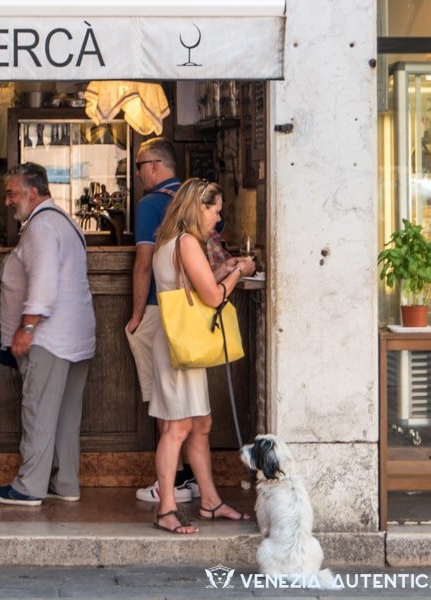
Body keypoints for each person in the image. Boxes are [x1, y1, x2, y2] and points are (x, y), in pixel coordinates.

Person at [0, 163, 95, 506]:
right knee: (64, 414)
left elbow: (44, 283)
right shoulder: (61, 221)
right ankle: (65, 483)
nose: (7, 201)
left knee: (38, 410)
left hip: (48, 337)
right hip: (74, 336)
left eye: (12, 193)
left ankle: (29, 486)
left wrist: (27, 326)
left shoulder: (42, 228)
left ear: (33, 193)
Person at [149, 178, 256, 534]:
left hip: (178, 341)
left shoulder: (169, 241)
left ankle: (209, 500)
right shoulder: (187, 242)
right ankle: (166, 508)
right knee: (177, 426)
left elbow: (190, 286)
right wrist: (239, 271)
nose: (218, 218)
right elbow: (211, 298)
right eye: (215, 210)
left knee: (199, 423)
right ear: (199, 207)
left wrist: (223, 270)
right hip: (181, 344)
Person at [124, 138, 199, 504]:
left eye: (139, 167)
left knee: (162, 397)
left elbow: (144, 263)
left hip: (160, 307)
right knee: (189, 396)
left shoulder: (151, 203)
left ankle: (172, 482)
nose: (138, 175)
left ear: (154, 165)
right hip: (194, 310)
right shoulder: (195, 199)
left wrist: (137, 315)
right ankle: (190, 478)